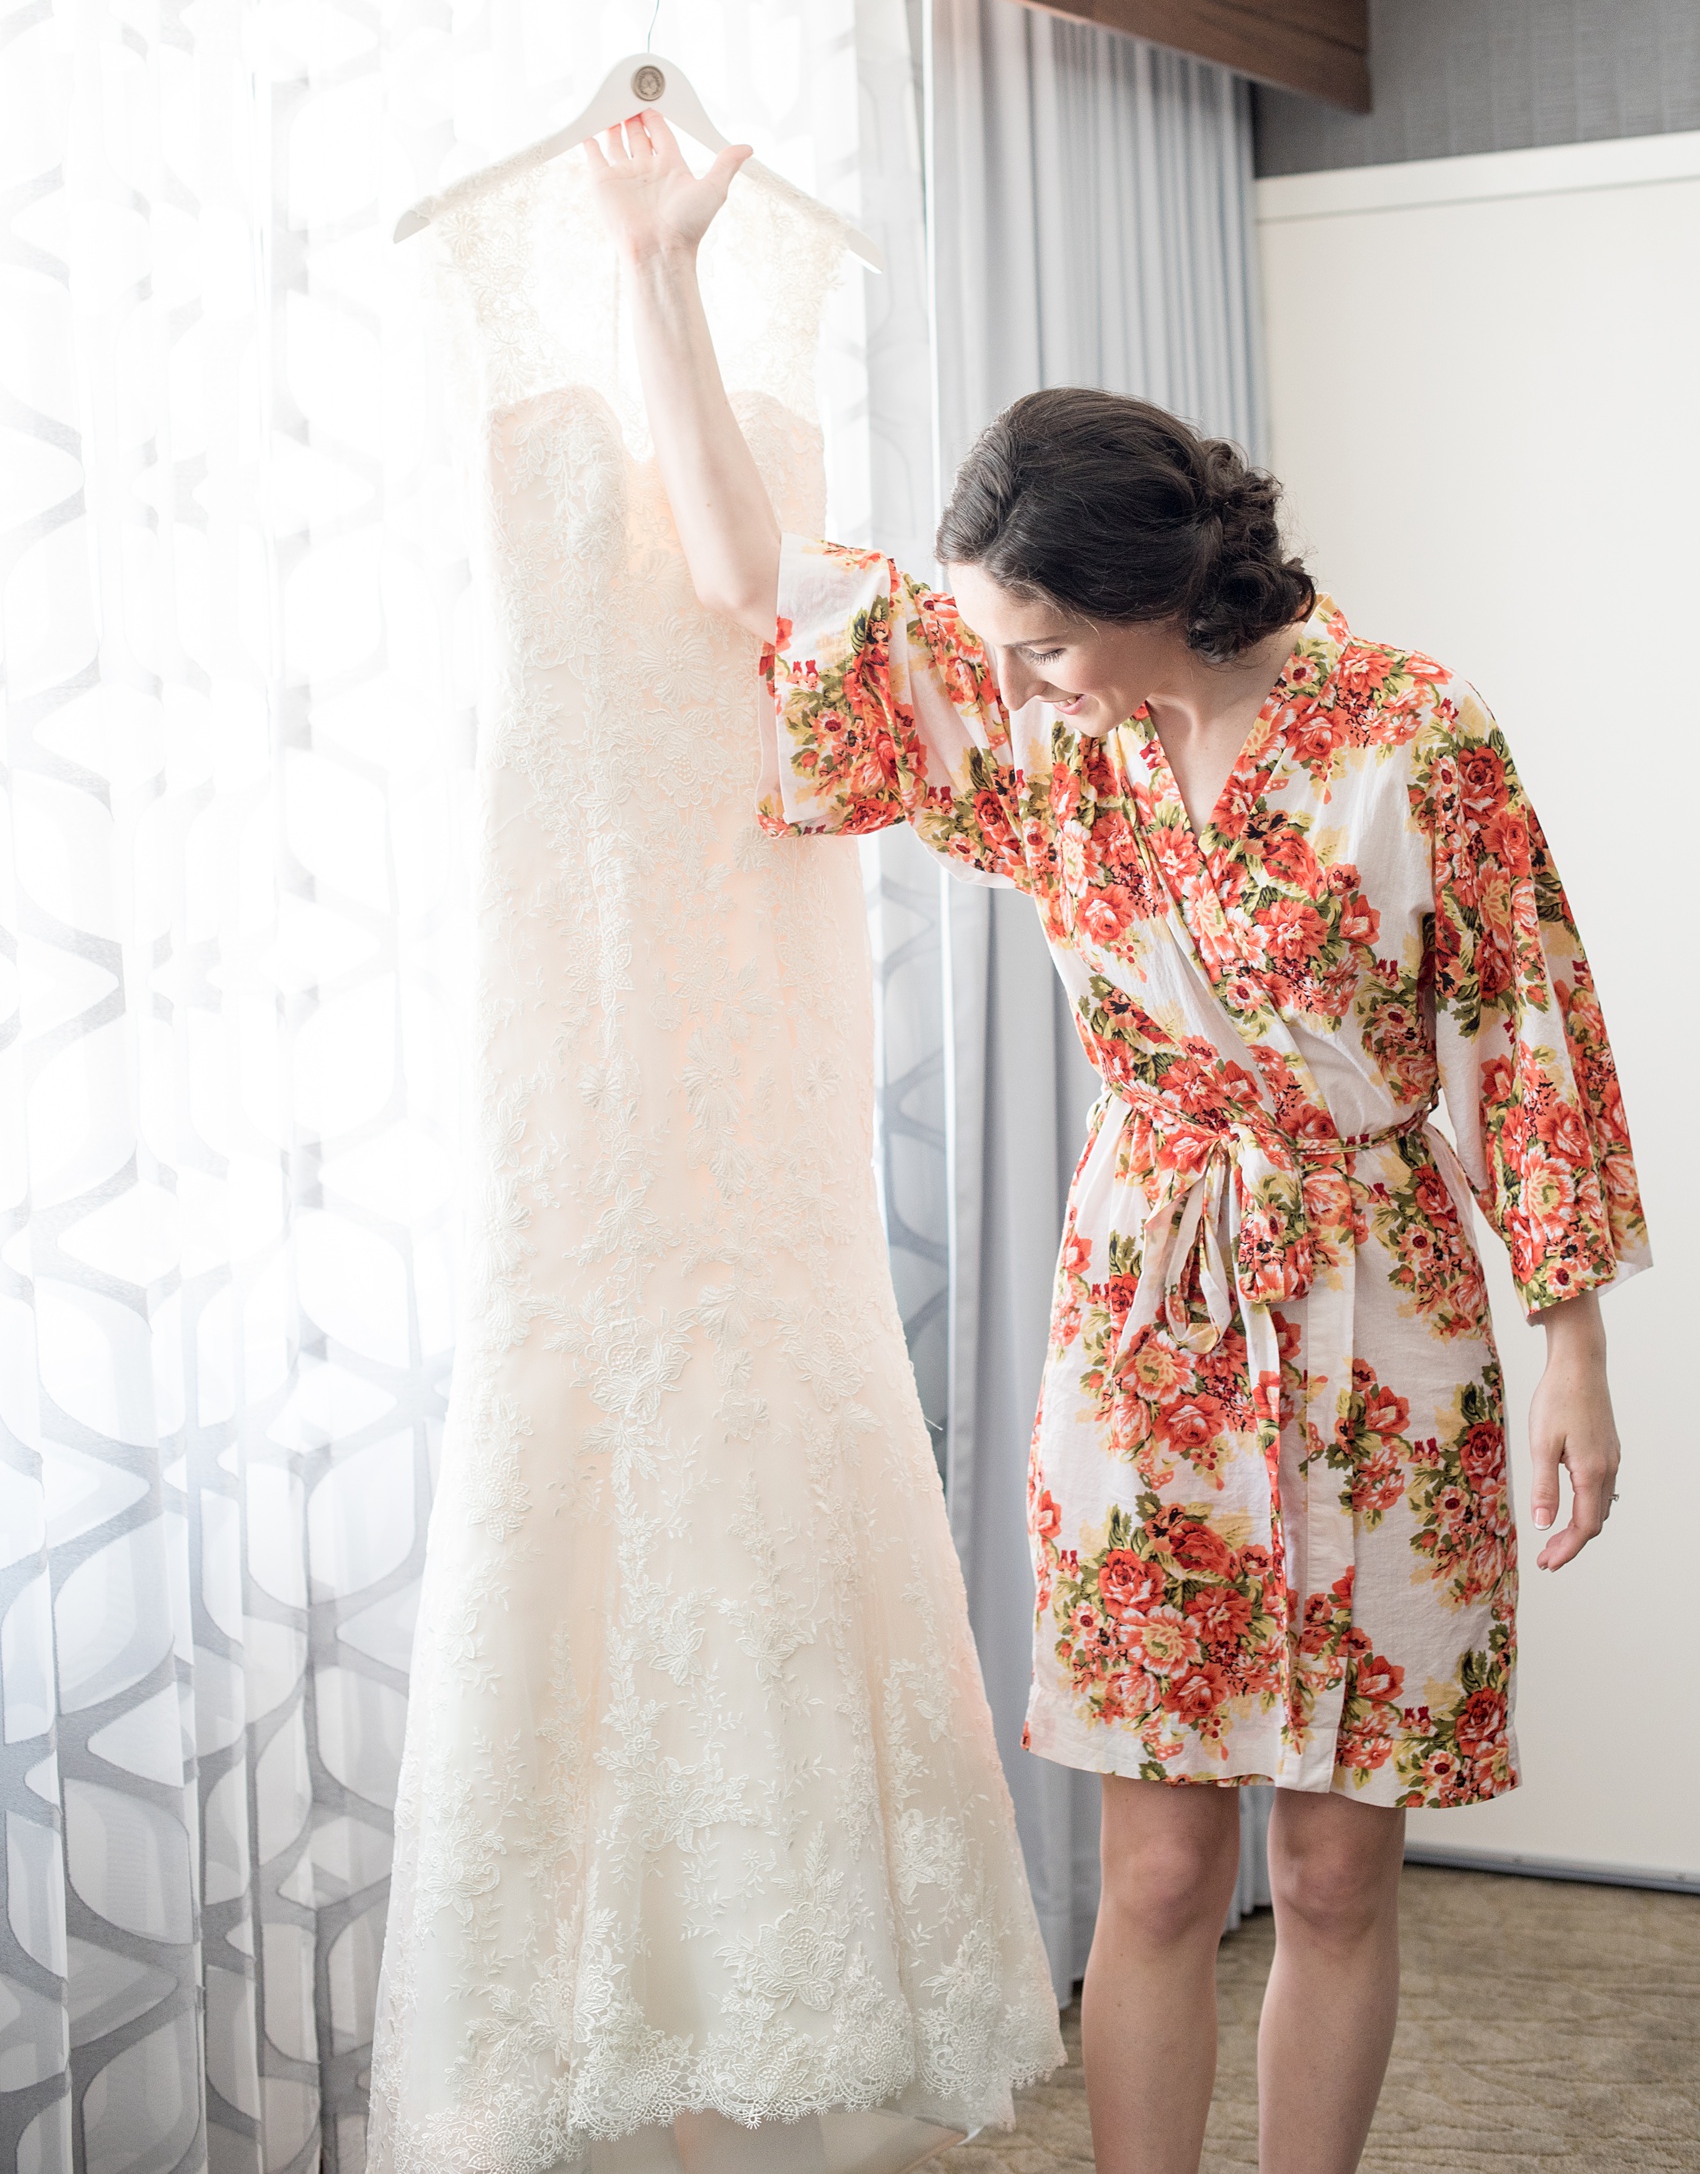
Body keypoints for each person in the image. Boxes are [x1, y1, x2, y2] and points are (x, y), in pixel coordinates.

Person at [586, 112, 1645, 2174]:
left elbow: (1533, 1031)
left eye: (1053, 640)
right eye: (1004, 650)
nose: (1027, 685)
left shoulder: (1412, 736)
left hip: (1385, 1315)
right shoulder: (1033, 715)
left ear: (1161, 587)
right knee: (1158, 1870)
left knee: (1340, 1868)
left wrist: (1577, 1354)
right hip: (1150, 1296)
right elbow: (752, 575)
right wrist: (659, 276)